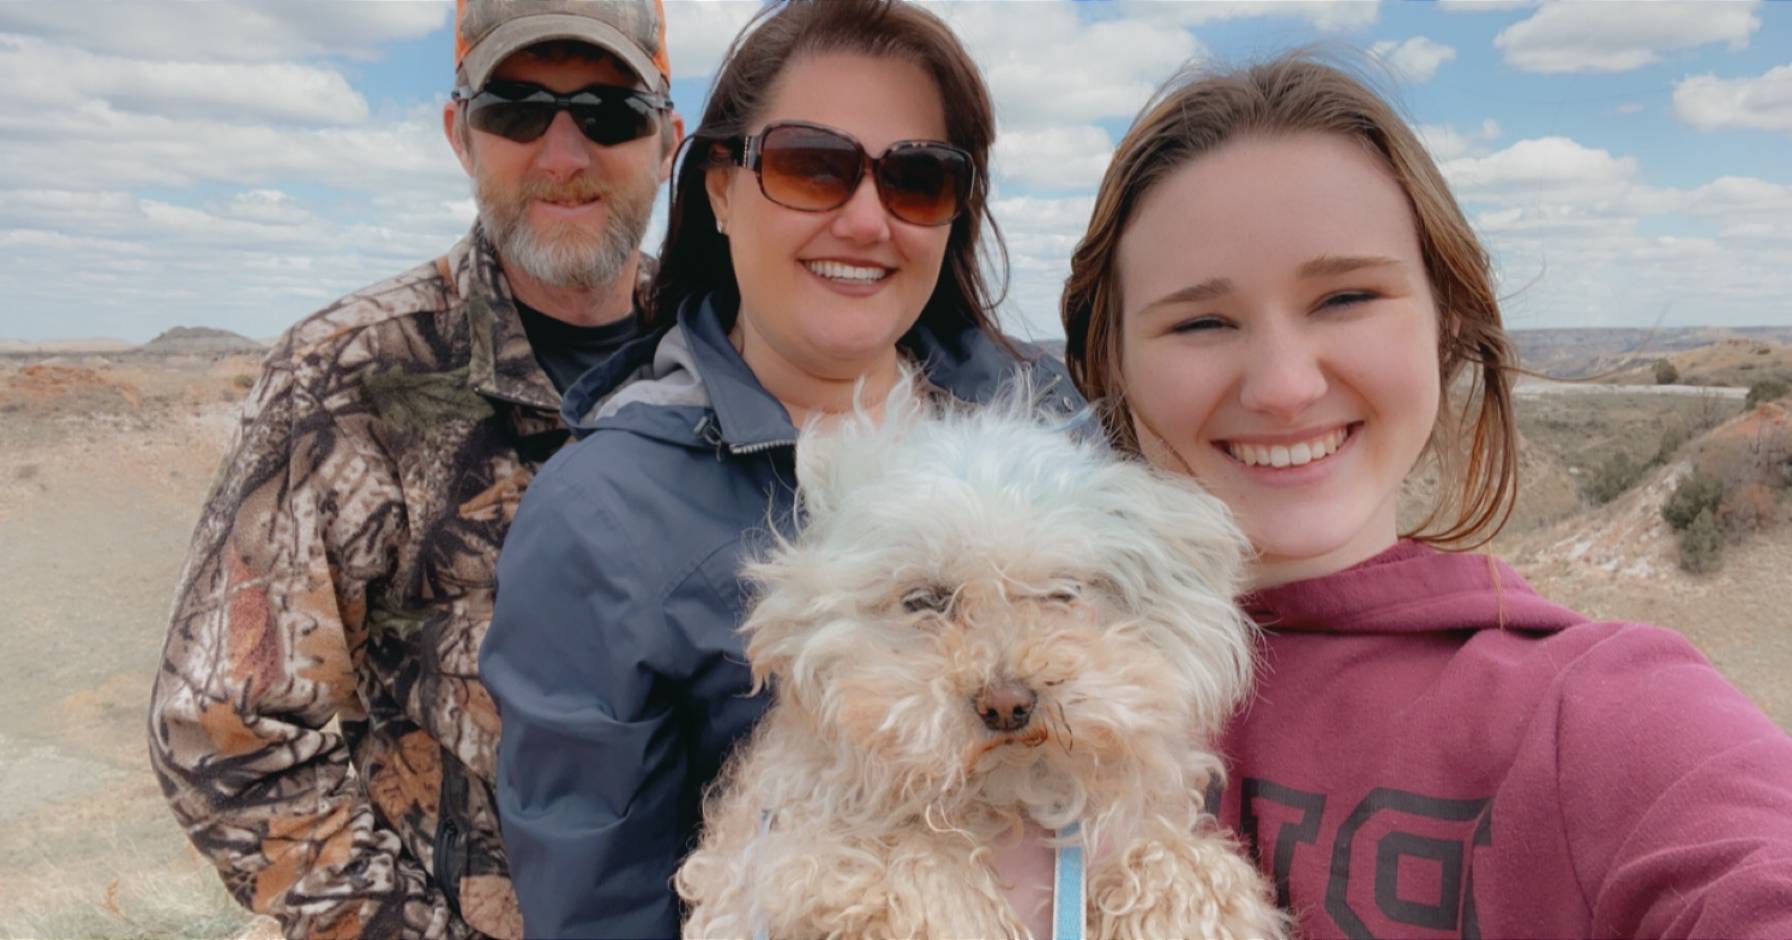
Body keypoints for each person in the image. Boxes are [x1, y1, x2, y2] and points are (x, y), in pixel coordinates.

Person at [1059, 54, 1792, 936]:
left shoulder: (1600, 714)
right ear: (1109, 364)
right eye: (1203, 321)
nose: (1284, 386)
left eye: (1345, 298)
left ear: (1446, 323)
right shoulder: (966, 677)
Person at [477, 1, 1079, 936]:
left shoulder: (1056, 426)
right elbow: (600, 909)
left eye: (917, 179)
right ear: (719, 187)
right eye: (812, 166)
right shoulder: (603, 517)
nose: (868, 218)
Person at [146, 2, 681, 937]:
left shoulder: (730, 355)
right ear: (458, 133)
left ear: (668, 141)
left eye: (610, 110)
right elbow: (223, 738)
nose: (562, 153)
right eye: (515, 109)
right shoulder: (348, 377)